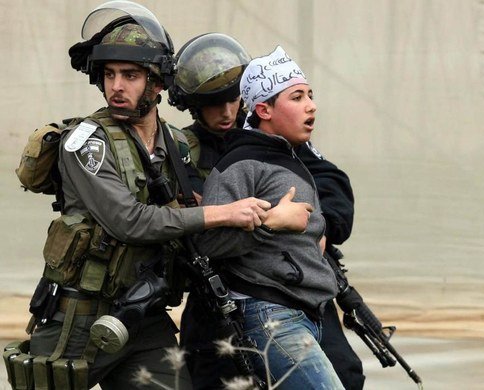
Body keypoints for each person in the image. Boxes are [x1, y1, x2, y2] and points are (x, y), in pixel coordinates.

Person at [21, 2, 308, 389]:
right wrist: (223, 214)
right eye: (109, 74)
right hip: (76, 319)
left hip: (144, 318)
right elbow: (130, 222)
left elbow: (205, 206)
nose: (116, 86)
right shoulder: (86, 144)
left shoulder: (177, 145)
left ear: (157, 83)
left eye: (130, 75)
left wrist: (273, 216)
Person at [168, 33, 365, 389]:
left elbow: (332, 183)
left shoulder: (275, 141)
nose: (227, 113)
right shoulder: (182, 152)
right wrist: (213, 214)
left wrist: (320, 228)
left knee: (345, 373)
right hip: (223, 291)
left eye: (233, 100)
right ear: (195, 106)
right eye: (214, 104)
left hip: (296, 285)